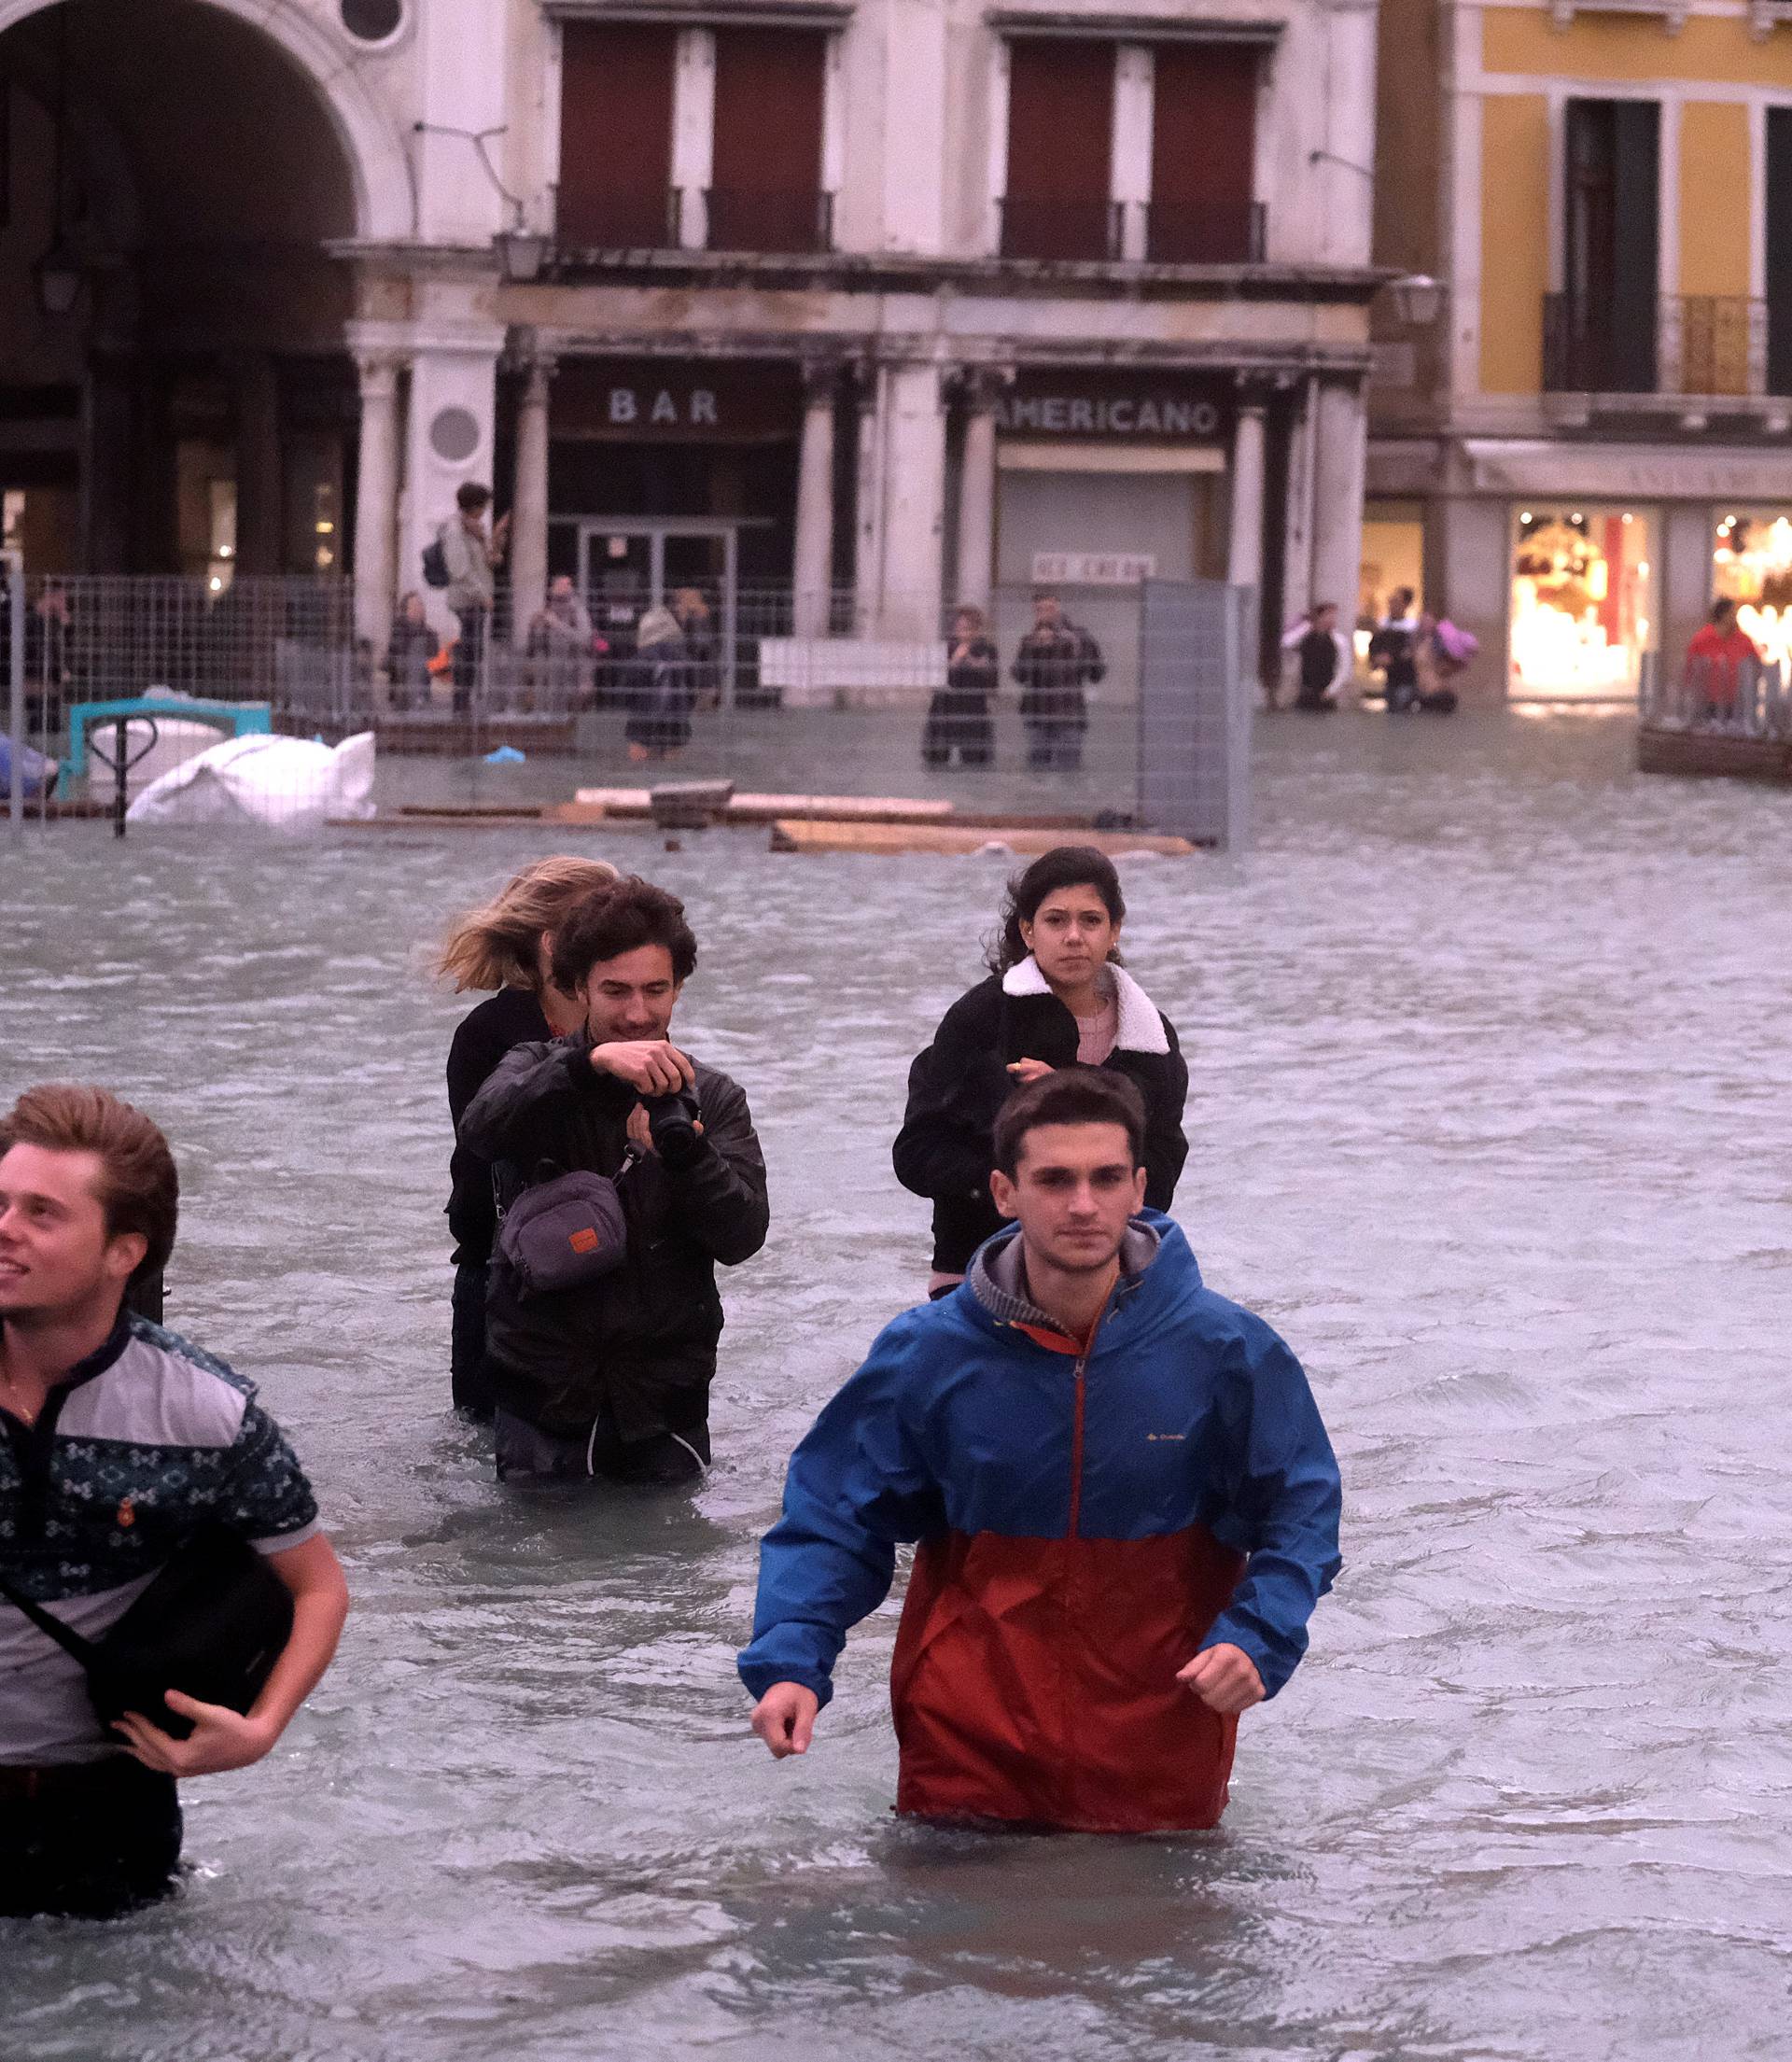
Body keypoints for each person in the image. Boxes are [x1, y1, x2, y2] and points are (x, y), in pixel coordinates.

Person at [742, 1069, 1342, 1833]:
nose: (1083, 1204)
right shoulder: (926, 1354)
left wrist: (1261, 1635)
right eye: (1055, 1179)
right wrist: (793, 1660)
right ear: (1003, 1191)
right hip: (965, 1755)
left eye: (1106, 1178)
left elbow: (1303, 1510)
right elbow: (833, 1515)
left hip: (1159, 1756)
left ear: (1140, 1188)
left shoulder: (1226, 1351)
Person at [0, 1086, 349, 1919]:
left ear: (125, 1250)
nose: (6, 1226)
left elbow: (319, 1587)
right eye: (0, 1200)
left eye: (41, 1213)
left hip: (106, 1817)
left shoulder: (206, 1412)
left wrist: (260, 1729)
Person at [458, 877, 769, 1486]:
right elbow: (480, 1130)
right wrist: (584, 1066)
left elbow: (743, 1236)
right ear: (578, 988)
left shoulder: (716, 1096)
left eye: (656, 989)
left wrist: (688, 1155)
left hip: (665, 1398)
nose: (637, 1012)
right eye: (616, 991)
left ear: (679, 988)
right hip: (543, 1397)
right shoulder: (530, 1066)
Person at [893, 845, 1188, 1298]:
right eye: (1056, 920)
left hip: (1113, 1280)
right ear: (1028, 932)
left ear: (1114, 932)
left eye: (1091, 920)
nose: (1074, 936)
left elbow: (1163, 1169)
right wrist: (1023, 1187)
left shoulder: (1151, 1036)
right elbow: (916, 1155)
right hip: (976, 1273)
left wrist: (1071, 1092)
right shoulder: (981, 1017)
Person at [440, 857, 623, 1419]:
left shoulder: (624, 1015)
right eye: (607, 926)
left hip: (607, 1271)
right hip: (502, 1276)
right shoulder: (487, 1034)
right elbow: (486, 1149)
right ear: (551, 944)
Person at [1012, 592, 1105, 770]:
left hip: (1069, 715)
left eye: (1050, 608)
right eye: (1040, 610)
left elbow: (1096, 673)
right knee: (1037, 769)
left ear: (1058, 609)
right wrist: (1033, 649)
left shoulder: (1079, 637)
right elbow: (1019, 676)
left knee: (1067, 770)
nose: (1045, 614)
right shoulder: (1029, 642)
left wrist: (1074, 648)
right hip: (1037, 715)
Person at [439, 482, 510, 715]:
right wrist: (482, 595)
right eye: (483, 506)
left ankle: (465, 701)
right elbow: (460, 570)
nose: (486, 511)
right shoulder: (456, 531)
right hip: (467, 600)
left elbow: (487, 564)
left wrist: (497, 542)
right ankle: (461, 703)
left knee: (473, 650)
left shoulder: (476, 530)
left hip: (477, 599)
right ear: (474, 506)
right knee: (469, 651)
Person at [921, 606, 999, 766]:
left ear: (977, 629)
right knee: (937, 759)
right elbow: (934, 681)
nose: (962, 631)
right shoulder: (946, 648)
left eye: (967, 628)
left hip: (973, 709)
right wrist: (954, 662)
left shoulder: (987, 649)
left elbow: (992, 685)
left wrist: (973, 661)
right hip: (944, 708)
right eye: (959, 627)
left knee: (975, 760)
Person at [623, 604, 695, 762]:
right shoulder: (683, 658)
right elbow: (692, 690)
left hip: (641, 721)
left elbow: (628, 692)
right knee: (673, 774)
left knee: (639, 768)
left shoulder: (640, 658)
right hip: (676, 721)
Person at [525, 574, 597, 710]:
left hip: (575, 671)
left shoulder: (577, 608)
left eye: (568, 584)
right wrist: (535, 626)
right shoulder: (549, 608)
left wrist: (557, 624)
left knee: (572, 713)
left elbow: (584, 638)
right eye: (561, 584)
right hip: (553, 673)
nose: (566, 588)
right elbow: (538, 644)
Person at [1685, 596, 1760, 722]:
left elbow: (1756, 667)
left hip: (1737, 704)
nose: (1735, 617)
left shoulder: (1744, 640)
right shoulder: (1702, 639)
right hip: (1708, 704)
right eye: (1732, 613)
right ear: (1722, 615)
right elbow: (1690, 670)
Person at [1282, 601, 1349, 711]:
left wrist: (1331, 690)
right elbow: (1286, 643)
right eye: (1328, 615)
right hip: (1305, 691)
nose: (1332, 619)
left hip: (1325, 693)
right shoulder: (1306, 636)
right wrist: (1306, 626)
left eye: (1333, 616)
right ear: (1319, 617)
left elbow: (1344, 669)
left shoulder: (1339, 640)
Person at [1367, 586, 1421, 711]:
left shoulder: (1412, 627)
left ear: (1406, 604)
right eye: (1391, 601)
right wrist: (1376, 658)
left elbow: (1409, 651)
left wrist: (1392, 658)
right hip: (1391, 678)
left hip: (1406, 678)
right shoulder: (1383, 624)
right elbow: (1375, 644)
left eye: (1397, 602)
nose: (1392, 605)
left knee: (1401, 708)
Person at [385, 591, 439, 711]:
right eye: (414, 605)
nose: (419, 608)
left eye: (420, 605)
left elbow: (435, 658)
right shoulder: (399, 629)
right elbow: (396, 655)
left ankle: (418, 697)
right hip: (405, 676)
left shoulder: (429, 634)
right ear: (406, 610)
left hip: (421, 679)